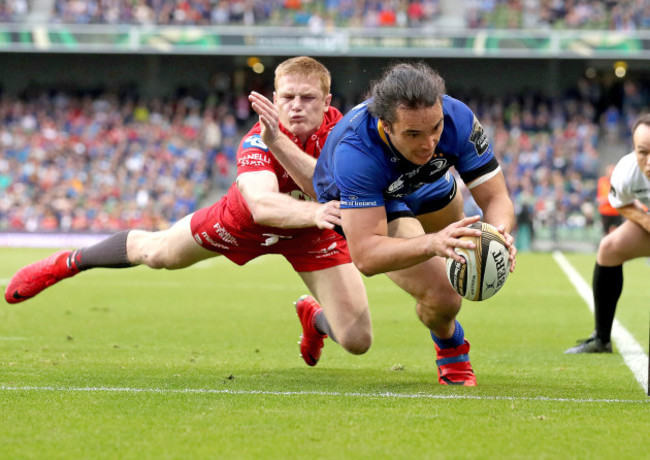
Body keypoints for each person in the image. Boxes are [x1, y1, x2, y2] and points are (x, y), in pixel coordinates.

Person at [4, 56, 372, 367]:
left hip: (312, 233)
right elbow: (261, 205)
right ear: (274, 100)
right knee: (158, 252)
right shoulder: (257, 139)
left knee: (357, 340)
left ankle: (314, 318)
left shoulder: (345, 133)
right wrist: (315, 213)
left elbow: (343, 182)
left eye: (307, 97)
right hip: (244, 223)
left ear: (326, 102)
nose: (295, 105)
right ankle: (67, 263)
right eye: (287, 96)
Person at [265, 62, 517, 386]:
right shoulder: (357, 151)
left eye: (435, 128)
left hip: (427, 181)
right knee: (444, 295)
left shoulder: (457, 118)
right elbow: (367, 257)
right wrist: (432, 243)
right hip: (373, 199)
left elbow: (496, 198)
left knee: (463, 251)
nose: (429, 143)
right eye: (413, 133)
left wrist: (498, 234)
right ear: (386, 124)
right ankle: (452, 347)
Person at [565, 114, 650, 354]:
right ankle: (602, 339)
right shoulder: (627, 169)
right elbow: (620, 202)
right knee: (609, 249)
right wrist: (646, 221)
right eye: (643, 152)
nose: (649, 162)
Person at [596, 163, 623, 236]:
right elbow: (601, 197)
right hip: (605, 212)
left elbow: (616, 196)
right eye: (609, 171)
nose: (611, 173)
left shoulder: (619, 182)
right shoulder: (602, 181)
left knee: (618, 232)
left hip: (616, 211)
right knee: (605, 232)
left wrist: (607, 200)